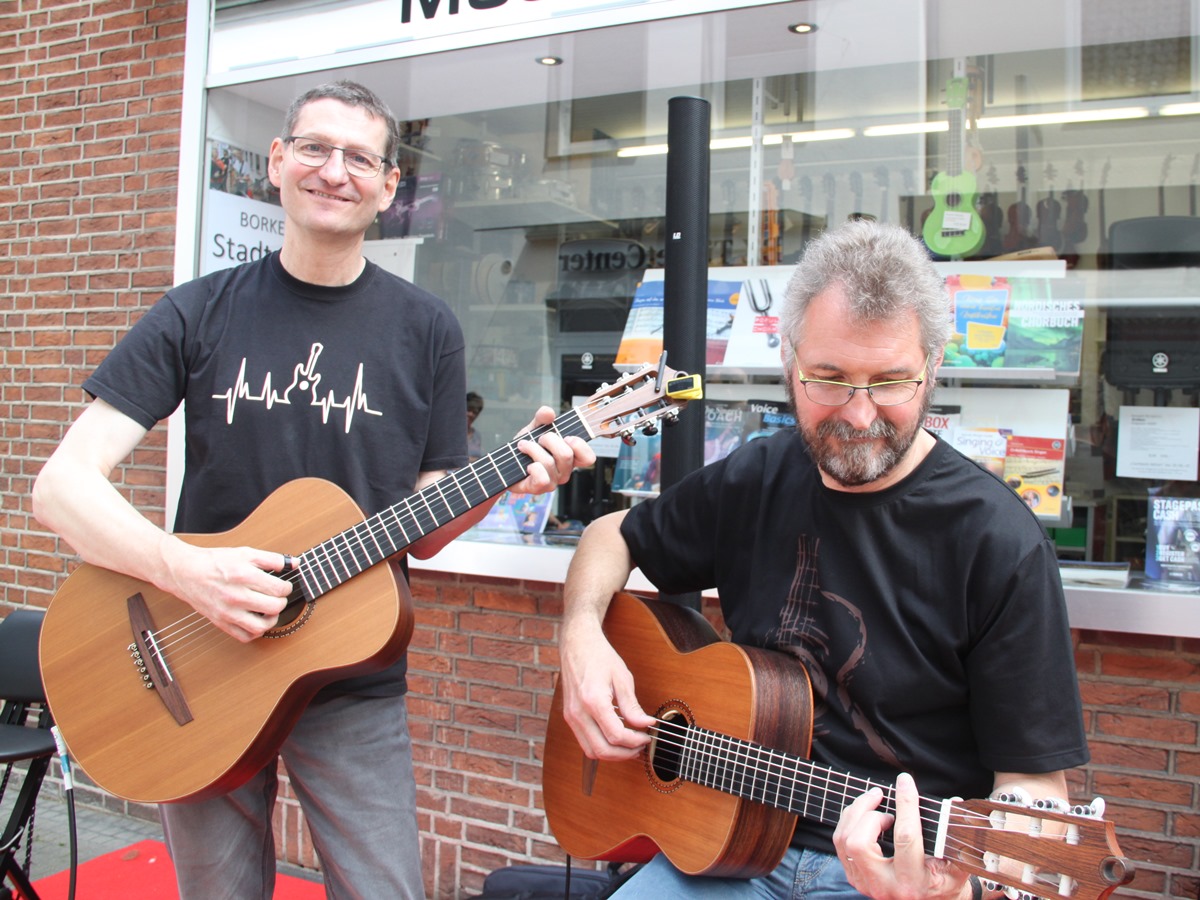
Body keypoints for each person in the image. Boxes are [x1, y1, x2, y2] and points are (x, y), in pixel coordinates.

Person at [32, 80, 595, 899]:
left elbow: (426, 524)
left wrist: (509, 476)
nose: (336, 171)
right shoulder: (199, 311)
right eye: (316, 148)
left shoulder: (426, 328)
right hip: (198, 660)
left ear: (389, 186)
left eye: (360, 157)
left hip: (352, 677)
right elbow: (61, 489)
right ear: (277, 161)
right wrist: (187, 573)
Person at [556, 220, 1088, 900]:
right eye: (829, 380)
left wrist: (952, 892)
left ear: (933, 366)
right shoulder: (756, 477)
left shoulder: (998, 541)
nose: (860, 415)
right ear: (789, 361)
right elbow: (612, 534)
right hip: (726, 849)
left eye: (892, 382)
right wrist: (580, 637)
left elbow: (1035, 795)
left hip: (893, 881)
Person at [467, 390, 485, 460]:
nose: (471, 414)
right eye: (468, 409)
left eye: (475, 412)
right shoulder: (449, 433)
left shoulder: (477, 435)